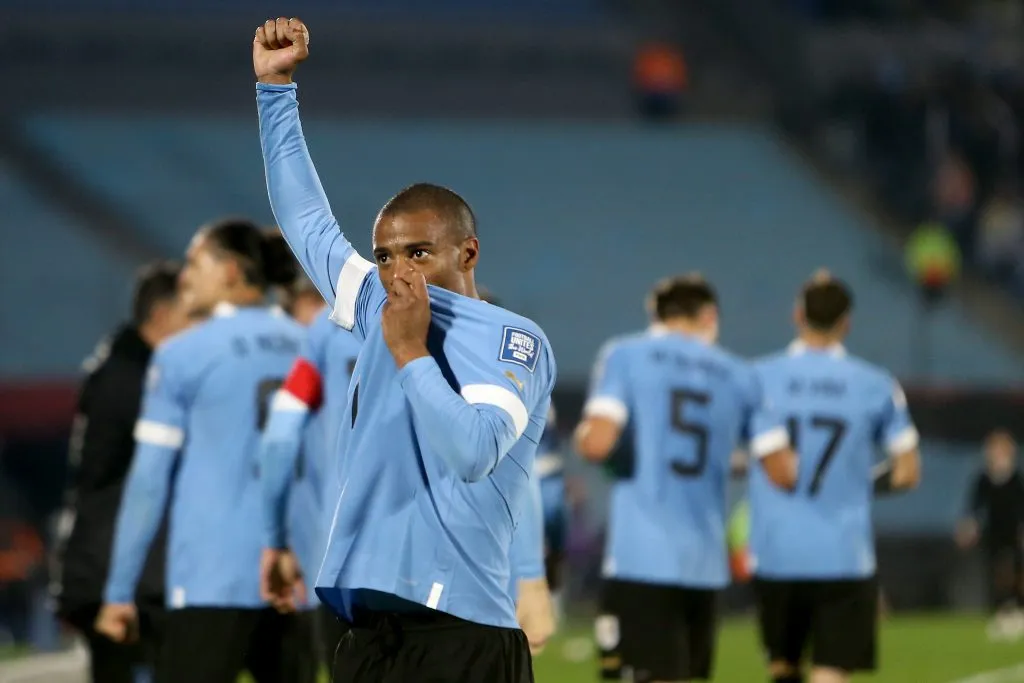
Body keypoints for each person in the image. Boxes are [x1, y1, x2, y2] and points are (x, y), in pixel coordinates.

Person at [254, 17, 556, 682]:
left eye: (418, 251)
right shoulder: (371, 304)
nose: (398, 271)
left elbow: (475, 451)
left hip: (463, 632)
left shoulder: (510, 339)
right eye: (386, 254)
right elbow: (305, 220)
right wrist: (275, 90)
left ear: (466, 252)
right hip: (367, 631)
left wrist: (412, 353)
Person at [94, 220, 316, 683]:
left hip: (212, 579)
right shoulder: (312, 347)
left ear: (231, 271)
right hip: (298, 580)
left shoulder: (183, 355)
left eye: (196, 262)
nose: (184, 277)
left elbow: (148, 481)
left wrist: (119, 591)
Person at [573, 274, 797, 683]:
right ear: (709, 316)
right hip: (704, 561)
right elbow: (782, 472)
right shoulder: (740, 374)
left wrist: (590, 438)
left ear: (655, 314)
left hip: (643, 556)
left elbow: (597, 444)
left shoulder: (626, 354)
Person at [750, 272, 921, 683]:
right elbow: (906, 471)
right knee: (831, 672)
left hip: (777, 550)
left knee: (783, 666)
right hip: (845, 552)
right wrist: (858, 484)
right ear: (847, 322)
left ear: (796, 314)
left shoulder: (757, 377)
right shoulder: (876, 385)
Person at [52, 261, 188, 683]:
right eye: (191, 315)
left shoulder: (122, 366)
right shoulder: (134, 379)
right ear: (163, 315)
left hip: (112, 561)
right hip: (116, 566)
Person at [260, 292, 361, 668]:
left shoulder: (327, 329)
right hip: (426, 563)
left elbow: (279, 438)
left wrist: (275, 540)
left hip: (340, 560)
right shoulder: (449, 316)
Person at [956, 429, 1024, 639]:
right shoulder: (984, 479)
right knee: (997, 572)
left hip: (1013, 533)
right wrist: (969, 525)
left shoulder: (1016, 479)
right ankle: (1003, 611)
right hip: (994, 532)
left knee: (1016, 572)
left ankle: (1018, 610)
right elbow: (975, 506)